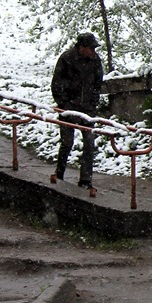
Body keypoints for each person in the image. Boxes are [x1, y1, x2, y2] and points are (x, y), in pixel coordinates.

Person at [52, 32, 105, 188]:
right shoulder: (67, 58)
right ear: (81, 47)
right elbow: (57, 83)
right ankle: (59, 173)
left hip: (87, 109)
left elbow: (97, 83)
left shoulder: (95, 61)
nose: (93, 52)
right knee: (67, 142)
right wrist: (64, 104)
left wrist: (93, 103)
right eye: (91, 48)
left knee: (89, 143)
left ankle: (85, 180)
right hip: (69, 108)